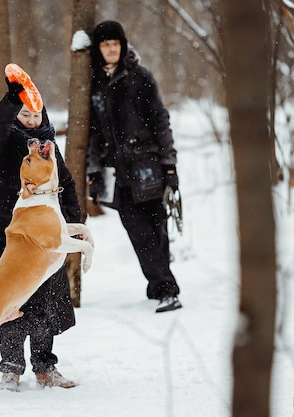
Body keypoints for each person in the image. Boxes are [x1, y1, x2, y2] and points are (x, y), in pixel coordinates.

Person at [0, 76, 79, 391]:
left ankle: (45, 368)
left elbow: (67, 183)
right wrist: (11, 102)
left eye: (36, 115)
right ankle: (10, 369)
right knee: (9, 298)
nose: (32, 120)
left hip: (47, 232)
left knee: (46, 301)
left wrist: (73, 220)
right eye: (25, 115)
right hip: (8, 233)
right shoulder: (1, 142)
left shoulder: (48, 148)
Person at [86, 20, 182, 313]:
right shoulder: (92, 85)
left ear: (123, 45)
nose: (111, 48)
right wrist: (94, 171)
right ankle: (166, 288)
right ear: (98, 49)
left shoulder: (140, 77)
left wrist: (169, 165)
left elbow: (160, 121)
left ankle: (160, 287)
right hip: (118, 172)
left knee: (158, 230)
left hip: (148, 165)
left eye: (116, 43)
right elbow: (91, 133)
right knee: (139, 231)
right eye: (105, 44)